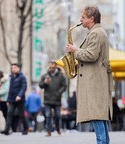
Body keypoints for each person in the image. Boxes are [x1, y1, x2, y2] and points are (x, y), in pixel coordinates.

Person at [66, 6, 114, 144]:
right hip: (96, 80)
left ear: (91, 19)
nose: (80, 20)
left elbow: (91, 55)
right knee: (99, 116)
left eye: (83, 17)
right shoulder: (97, 32)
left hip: (95, 82)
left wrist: (75, 50)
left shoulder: (96, 33)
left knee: (96, 115)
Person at [39, 61, 67, 137]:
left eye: (53, 67)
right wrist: (45, 83)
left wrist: (59, 93)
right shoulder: (45, 75)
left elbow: (65, 86)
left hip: (57, 99)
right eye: (50, 67)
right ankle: (49, 131)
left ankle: (57, 127)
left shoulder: (61, 76)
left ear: (56, 67)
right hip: (47, 99)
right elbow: (40, 86)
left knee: (58, 115)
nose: (51, 69)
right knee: (48, 115)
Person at [1, 63, 28, 135]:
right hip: (12, 100)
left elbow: (24, 87)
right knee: (9, 113)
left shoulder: (22, 77)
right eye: (12, 68)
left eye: (15, 68)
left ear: (19, 68)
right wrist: (8, 100)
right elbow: (10, 90)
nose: (13, 69)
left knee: (21, 115)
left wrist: (19, 95)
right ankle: (7, 129)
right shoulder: (12, 77)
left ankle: (26, 128)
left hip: (20, 100)